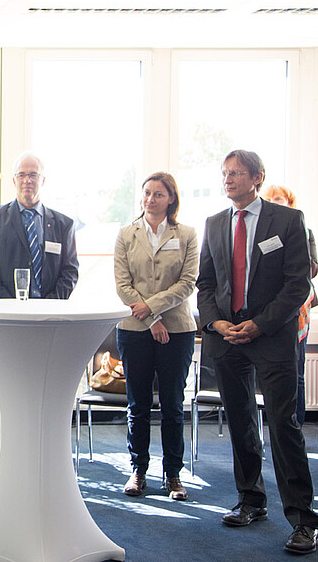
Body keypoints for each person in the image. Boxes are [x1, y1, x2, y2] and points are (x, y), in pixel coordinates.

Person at [196, 150, 318, 555]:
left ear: (257, 177)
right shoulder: (214, 223)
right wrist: (216, 323)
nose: (228, 179)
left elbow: (297, 284)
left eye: (237, 173)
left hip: (271, 337)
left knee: (283, 426)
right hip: (227, 338)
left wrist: (260, 323)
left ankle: (303, 520)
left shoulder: (287, 220)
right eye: (225, 173)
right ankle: (251, 501)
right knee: (242, 423)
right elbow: (206, 285)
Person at [0, 151, 79, 492]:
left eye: (34, 174)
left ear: (43, 180)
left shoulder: (62, 223)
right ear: (14, 180)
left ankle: (42, 468)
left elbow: (70, 272)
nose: (28, 180)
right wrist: (10, 306)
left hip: (48, 323)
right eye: (22, 174)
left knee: (44, 390)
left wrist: (45, 307)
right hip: (5, 325)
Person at [114, 172, 198, 500]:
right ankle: (138, 470)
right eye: (147, 193)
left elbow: (188, 282)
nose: (151, 199)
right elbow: (123, 285)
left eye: (159, 194)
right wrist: (150, 319)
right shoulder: (125, 234)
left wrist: (152, 308)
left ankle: (173, 475)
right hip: (135, 330)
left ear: (171, 199)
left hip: (176, 329)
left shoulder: (188, 234)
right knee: (138, 404)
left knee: (173, 405)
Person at [261, 184, 318, 425]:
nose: (277, 201)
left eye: (281, 198)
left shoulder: (304, 230)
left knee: (296, 368)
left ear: (290, 202)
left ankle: (297, 422)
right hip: (267, 307)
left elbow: (312, 269)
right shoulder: (261, 230)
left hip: (297, 308)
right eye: (272, 198)